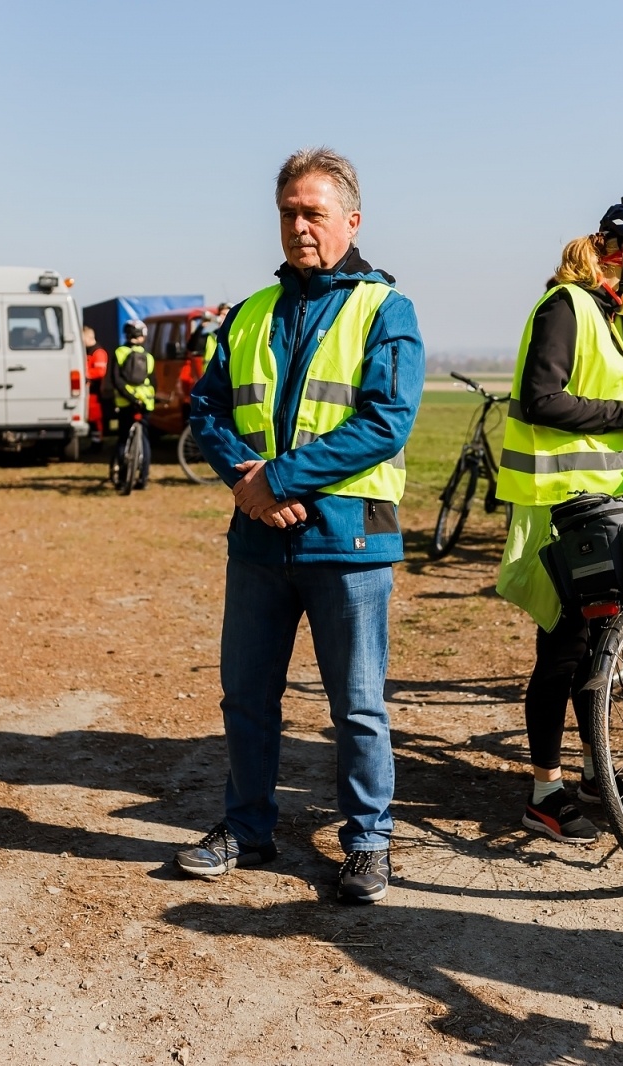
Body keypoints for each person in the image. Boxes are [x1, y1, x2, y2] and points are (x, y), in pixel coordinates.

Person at [176, 147, 424, 904]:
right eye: (288, 213)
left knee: (357, 705)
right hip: (258, 541)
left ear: (352, 220)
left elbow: (386, 421)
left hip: (349, 542)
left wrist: (279, 479)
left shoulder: (386, 310)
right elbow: (207, 409)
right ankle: (246, 829)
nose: (298, 227)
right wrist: (247, 482)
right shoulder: (249, 312)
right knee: (246, 698)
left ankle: (369, 842)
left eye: (314, 213)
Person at [494, 196, 623, 845]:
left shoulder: (599, 314)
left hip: (595, 506)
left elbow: (590, 404)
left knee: (596, 648)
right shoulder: (565, 307)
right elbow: (542, 400)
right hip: (560, 508)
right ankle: (545, 794)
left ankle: (599, 775)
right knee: (564, 650)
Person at [111, 319, 155, 487]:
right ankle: (143, 478)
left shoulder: (120, 352)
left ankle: (123, 479)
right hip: (145, 402)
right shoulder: (149, 356)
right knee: (144, 439)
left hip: (126, 402)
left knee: (123, 438)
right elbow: (154, 382)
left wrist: (130, 397)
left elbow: (116, 380)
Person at [82, 326, 107, 447]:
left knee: (95, 418)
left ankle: (97, 442)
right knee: (91, 417)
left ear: (88, 337)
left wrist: (84, 374)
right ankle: (94, 440)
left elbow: (100, 372)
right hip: (88, 390)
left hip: (94, 391)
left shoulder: (98, 352)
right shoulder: (86, 351)